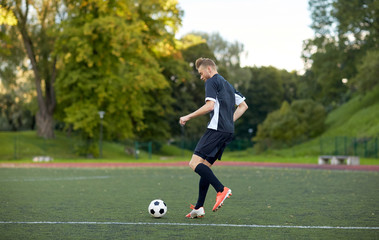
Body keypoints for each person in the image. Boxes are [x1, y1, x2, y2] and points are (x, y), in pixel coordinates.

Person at [179, 58, 248, 218]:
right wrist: (229, 121)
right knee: (204, 167)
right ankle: (199, 207)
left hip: (216, 130)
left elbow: (210, 106)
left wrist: (188, 117)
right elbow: (244, 106)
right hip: (227, 131)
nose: (201, 77)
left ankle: (221, 189)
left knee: (194, 163)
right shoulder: (228, 85)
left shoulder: (211, 81)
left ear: (209, 69)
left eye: (201, 73)